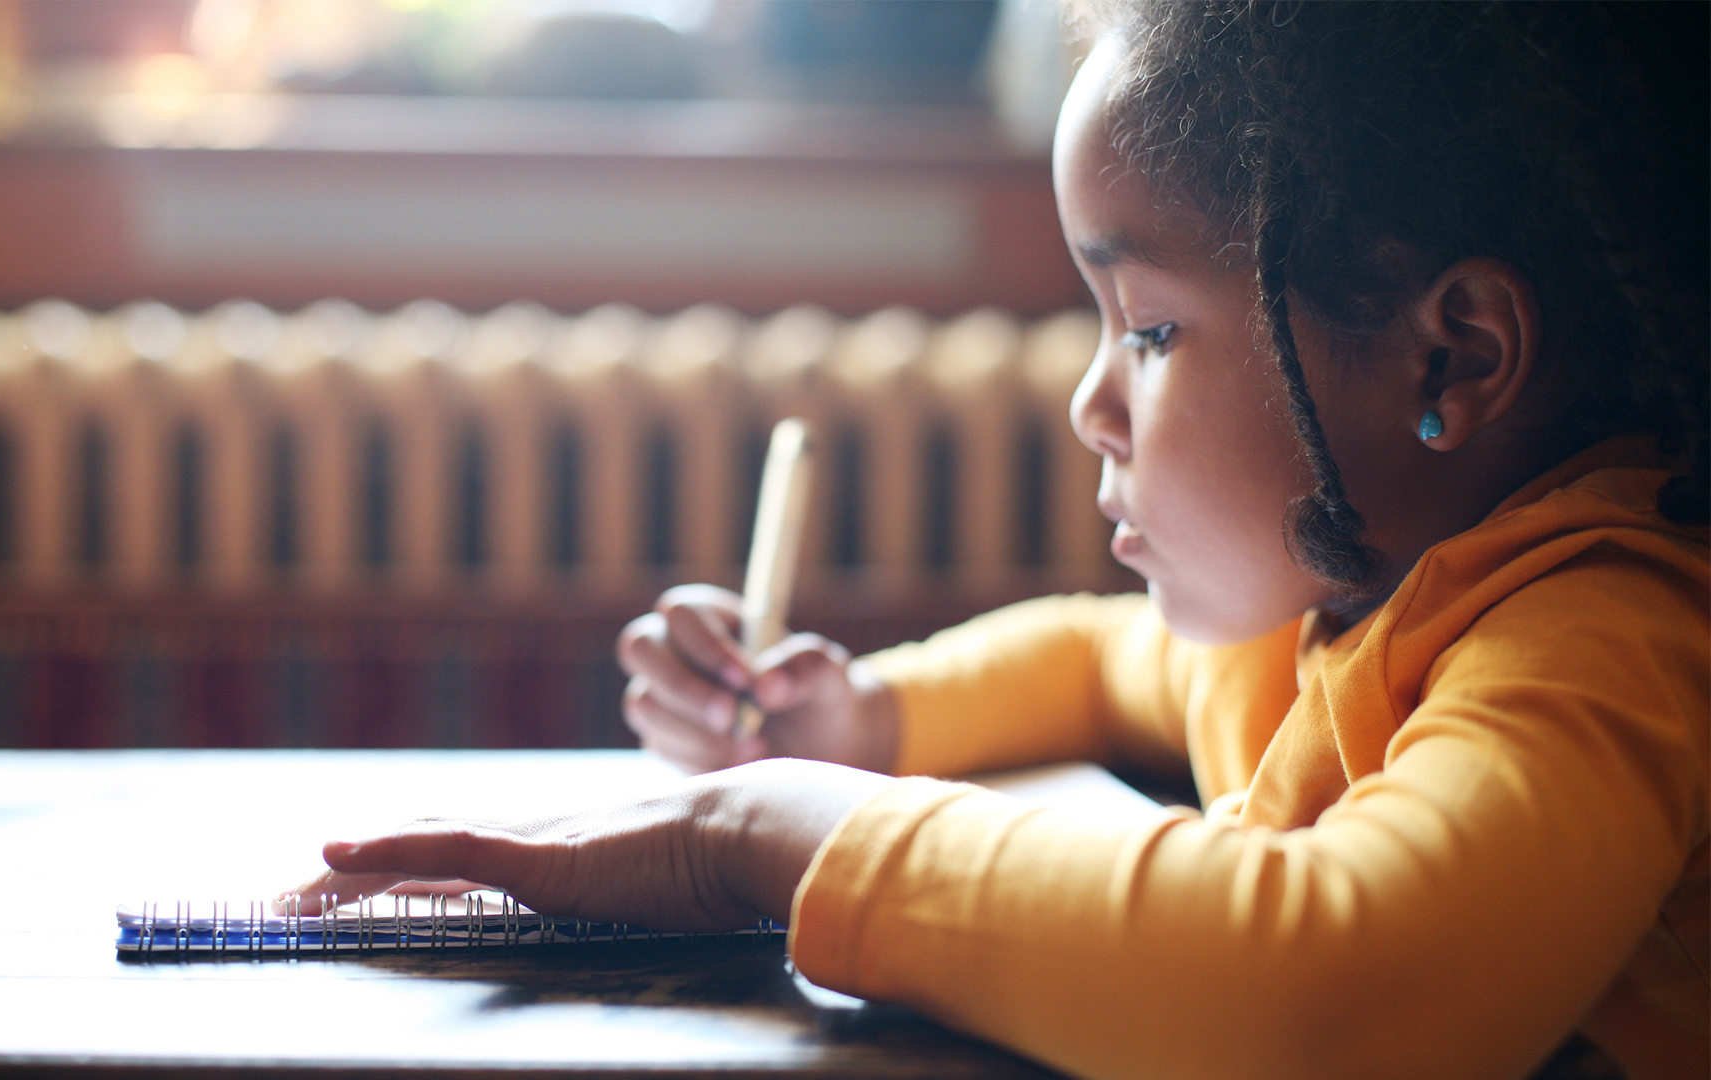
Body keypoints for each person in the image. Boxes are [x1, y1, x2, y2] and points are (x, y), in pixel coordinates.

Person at [284, 4, 1708, 1078]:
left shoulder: (1605, 637)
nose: (1093, 402)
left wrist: (767, 831)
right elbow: (1101, 662)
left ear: (1453, 360)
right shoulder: (1349, 603)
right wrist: (854, 712)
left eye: (1149, 327)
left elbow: (1338, 985)